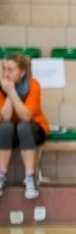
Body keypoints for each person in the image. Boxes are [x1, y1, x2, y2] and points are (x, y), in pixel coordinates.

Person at [0, 53, 49, 199]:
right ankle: (2, 174)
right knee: (4, 128)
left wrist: (13, 92)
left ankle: (30, 176)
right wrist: (9, 93)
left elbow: (26, 117)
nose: (5, 74)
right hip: (11, 129)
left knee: (23, 127)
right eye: (4, 69)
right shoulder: (2, 87)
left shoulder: (33, 84)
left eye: (10, 70)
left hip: (34, 127)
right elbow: (5, 117)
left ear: (22, 72)